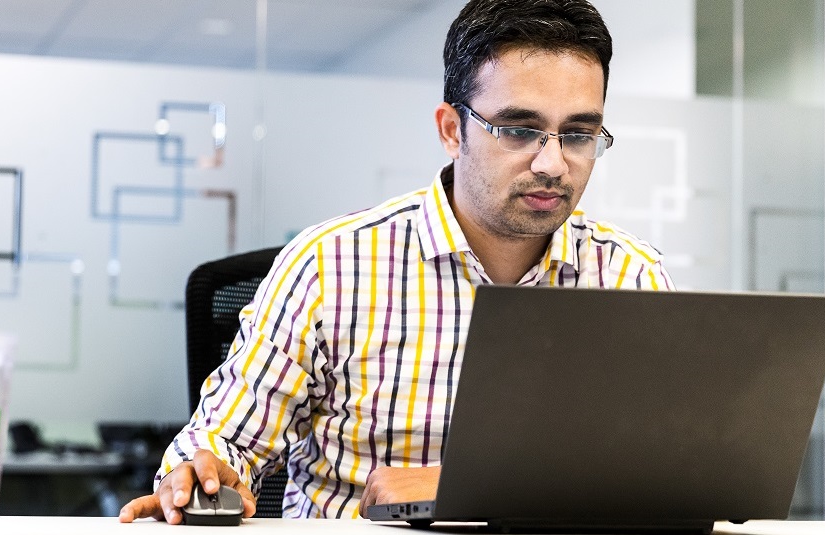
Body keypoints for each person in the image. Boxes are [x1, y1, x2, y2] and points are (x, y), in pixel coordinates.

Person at [119, 0, 673, 523]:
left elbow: (667, 472)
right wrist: (203, 475)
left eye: (578, 134)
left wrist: (451, 485)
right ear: (452, 130)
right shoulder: (327, 267)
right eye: (519, 130)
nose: (553, 163)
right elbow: (223, 444)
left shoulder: (630, 278)